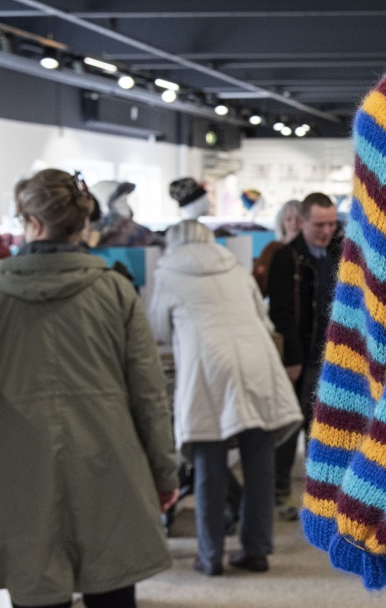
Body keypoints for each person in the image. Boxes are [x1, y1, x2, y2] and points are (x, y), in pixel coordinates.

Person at [0, 169, 178, 608]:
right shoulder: (115, 291)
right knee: (112, 589)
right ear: (81, 224)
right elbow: (149, 394)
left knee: (37, 590)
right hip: (111, 467)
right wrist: (165, 473)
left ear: (31, 222)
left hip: (17, 472)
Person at [147, 220, 302, 576]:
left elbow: (157, 329)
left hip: (208, 367)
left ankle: (210, 555)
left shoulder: (168, 274)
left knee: (209, 466)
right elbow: (262, 318)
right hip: (257, 361)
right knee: (260, 463)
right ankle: (257, 550)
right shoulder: (235, 269)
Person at [265, 192, 342, 517]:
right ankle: (280, 490)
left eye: (331, 223)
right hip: (304, 356)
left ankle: (321, 493)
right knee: (291, 425)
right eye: (319, 224)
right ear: (303, 221)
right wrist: (292, 359)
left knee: (326, 428)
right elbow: (281, 312)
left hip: (337, 357)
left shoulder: (342, 253)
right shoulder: (286, 258)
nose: (326, 230)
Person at [252, 199, 303, 295]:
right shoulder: (272, 249)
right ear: (282, 223)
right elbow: (258, 283)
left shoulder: (313, 250)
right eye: (289, 219)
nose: (294, 223)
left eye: (298, 219)